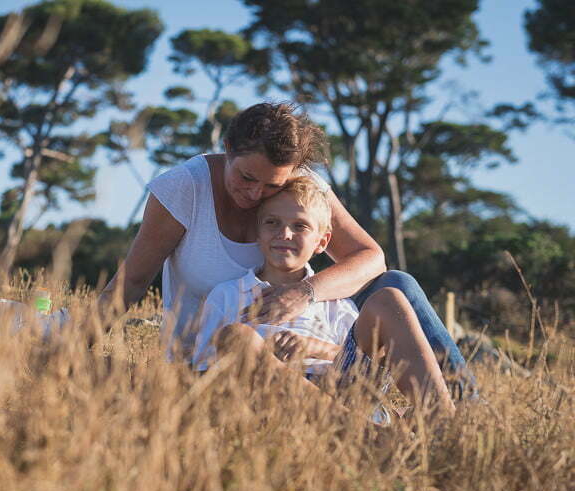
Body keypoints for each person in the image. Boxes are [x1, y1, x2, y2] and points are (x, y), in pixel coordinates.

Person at [98, 102, 476, 398]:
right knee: (241, 345)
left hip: (318, 361)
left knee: (395, 285)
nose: (255, 194)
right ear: (227, 148)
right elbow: (130, 281)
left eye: (272, 186)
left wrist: (304, 293)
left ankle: (460, 411)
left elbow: (371, 257)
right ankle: (362, 432)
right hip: (222, 358)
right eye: (247, 177)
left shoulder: (300, 185)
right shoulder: (184, 187)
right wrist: (70, 348)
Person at [191, 177, 456, 417]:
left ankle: (441, 419)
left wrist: (311, 347)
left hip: (336, 388)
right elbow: (203, 372)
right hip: (267, 394)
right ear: (257, 233)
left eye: (300, 226)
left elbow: (367, 362)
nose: (284, 234)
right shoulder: (228, 294)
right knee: (237, 337)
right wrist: (261, 355)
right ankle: (366, 435)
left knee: (389, 298)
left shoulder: (334, 299)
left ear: (321, 242)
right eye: (272, 223)